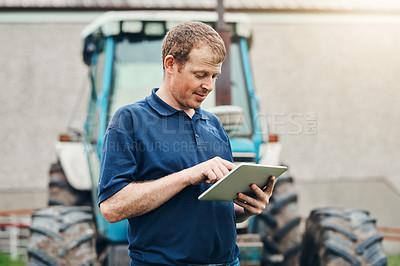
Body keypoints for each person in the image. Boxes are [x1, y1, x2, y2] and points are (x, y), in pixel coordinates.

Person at [98, 21, 275, 265]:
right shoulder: (129, 120)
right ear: (171, 64)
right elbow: (112, 207)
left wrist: (246, 208)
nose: (209, 86)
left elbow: (212, 209)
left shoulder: (213, 124)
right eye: (200, 75)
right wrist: (189, 175)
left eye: (214, 76)